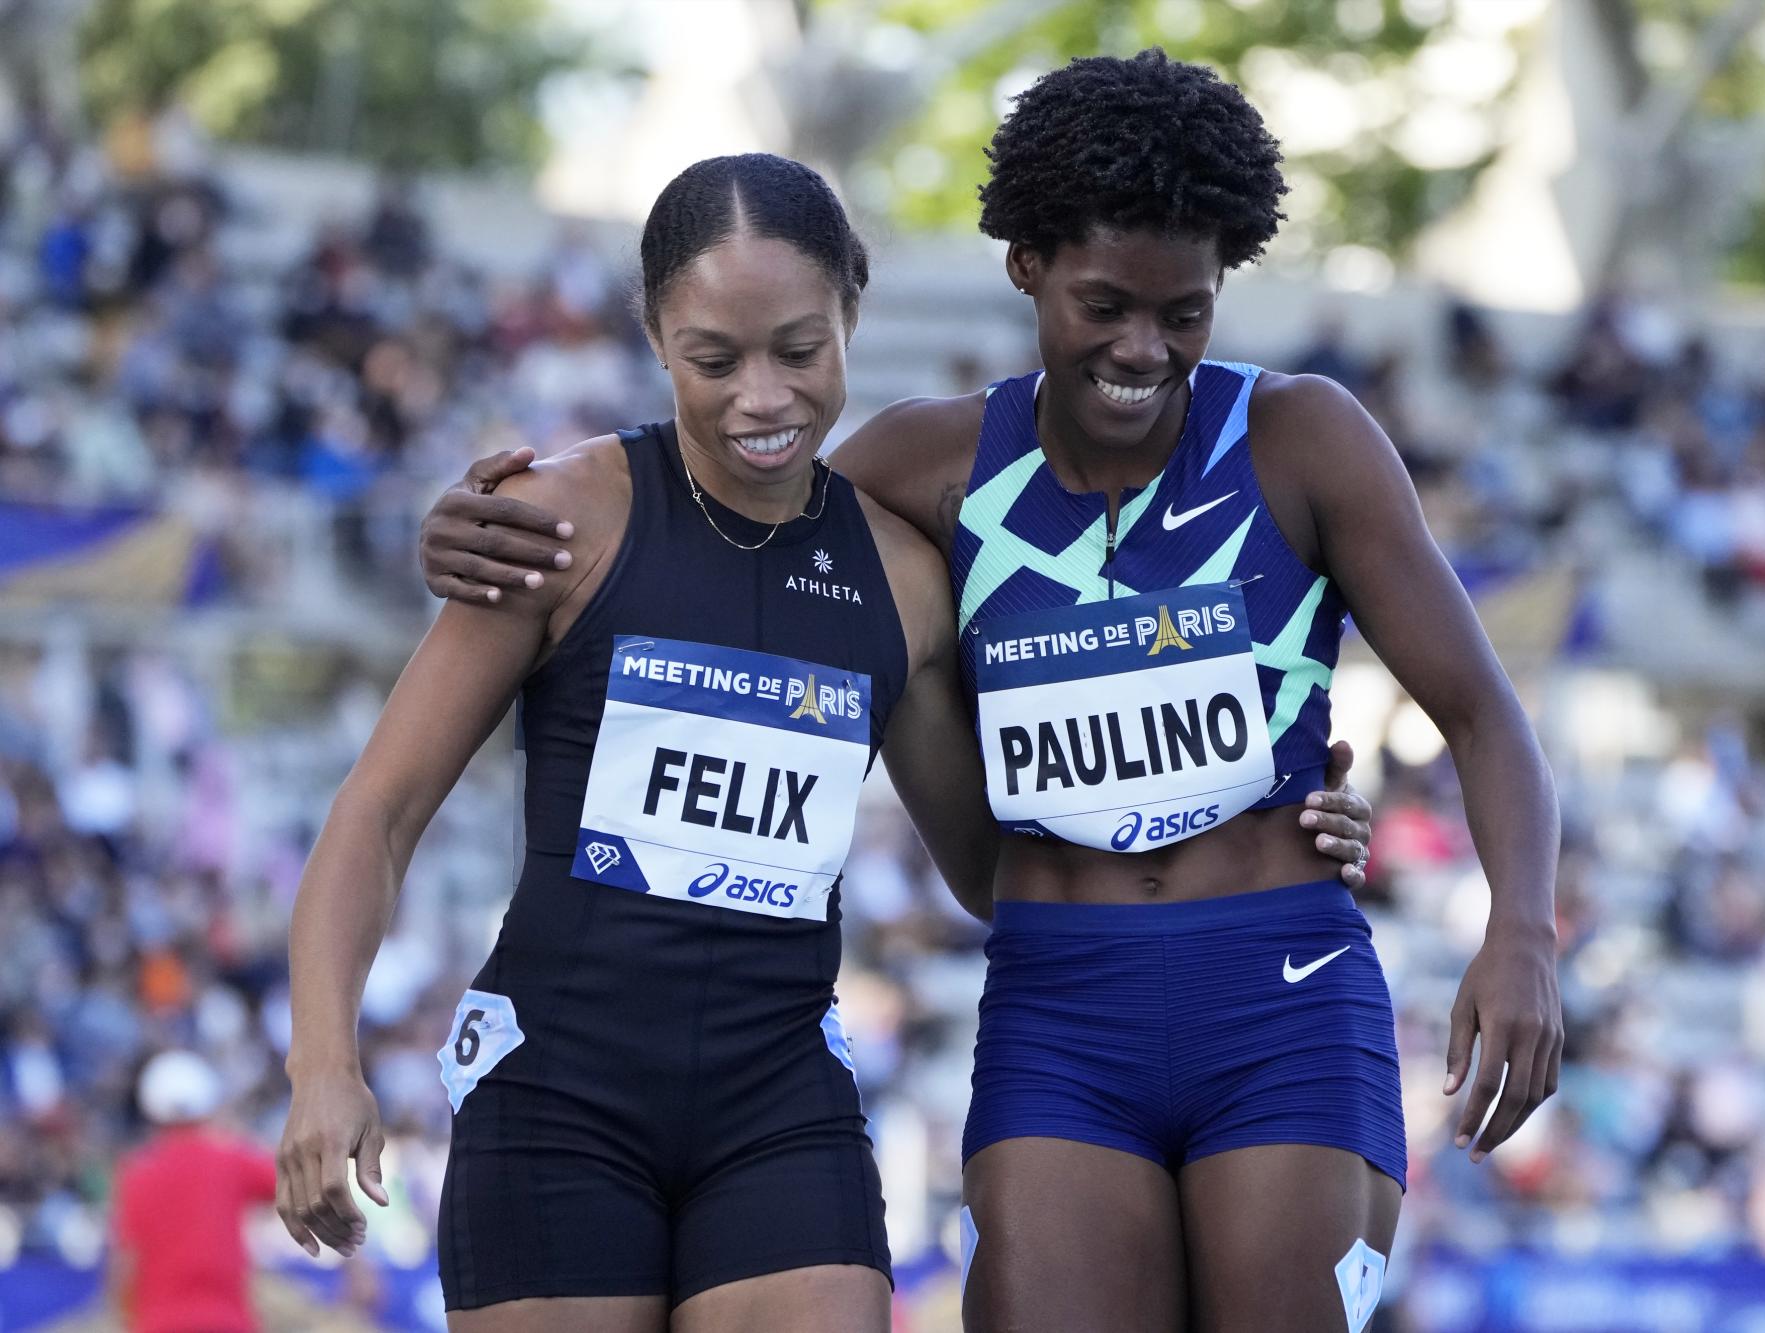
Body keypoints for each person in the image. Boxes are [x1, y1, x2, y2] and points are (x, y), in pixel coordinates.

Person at [282, 152, 1372, 1333]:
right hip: (558, 1094)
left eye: (800, 352)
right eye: (714, 359)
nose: (762, 397)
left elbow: (1000, 863)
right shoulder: (555, 524)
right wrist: (322, 1063)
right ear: (654, 333)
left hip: (779, 1106)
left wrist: (1255, 817)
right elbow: (376, 812)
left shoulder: (903, 579)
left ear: (854, 311)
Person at [109, 1051, 277, 1333]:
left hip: (158, 1323)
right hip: (227, 1322)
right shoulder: (231, 1158)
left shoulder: (137, 1172)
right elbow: (300, 1191)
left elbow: (126, 1263)